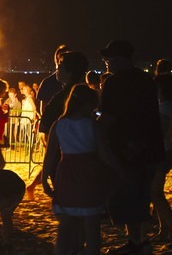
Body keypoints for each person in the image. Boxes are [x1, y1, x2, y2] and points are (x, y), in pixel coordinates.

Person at [97, 40, 164, 255]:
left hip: (126, 149)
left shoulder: (114, 83)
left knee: (126, 194)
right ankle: (137, 240)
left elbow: (108, 117)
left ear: (121, 57)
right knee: (141, 194)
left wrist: (92, 126)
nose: (105, 61)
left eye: (109, 57)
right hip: (150, 146)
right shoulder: (147, 80)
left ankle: (136, 243)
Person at [43, 84, 117, 255]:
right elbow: (105, 154)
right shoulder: (93, 125)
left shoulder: (58, 125)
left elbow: (49, 155)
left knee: (66, 223)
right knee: (91, 224)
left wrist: (44, 179)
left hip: (66, 172)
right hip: (88, 172)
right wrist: (119, 171)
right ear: (86, 105)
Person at [151, 73, 172, 240]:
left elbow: (159, 132)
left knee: (155, 193)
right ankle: (165, 228)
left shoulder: (165, 108)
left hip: (163, 152)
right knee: (156, 193)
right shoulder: (166, 106)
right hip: (165, 151)